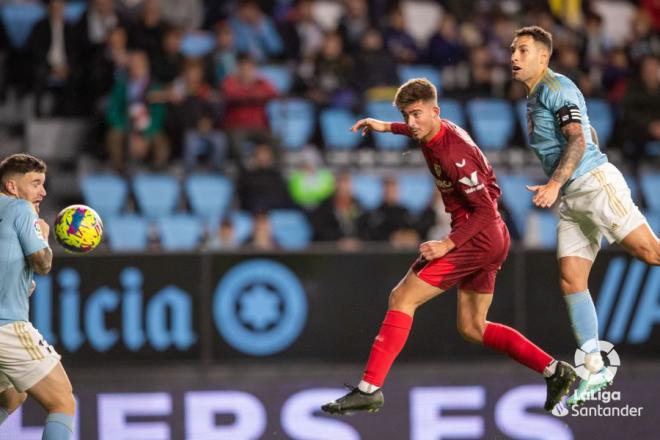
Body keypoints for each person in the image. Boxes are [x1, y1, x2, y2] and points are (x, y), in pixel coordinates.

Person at [321, 78, 576, 415]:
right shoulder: (434, 129)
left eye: (415, 115)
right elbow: (415, 128)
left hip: (478, 236)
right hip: (489, 238)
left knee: (402, 298)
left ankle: (369, 388)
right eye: (406, 116)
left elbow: (486, 210)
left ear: (435, 111)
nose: (411, 124)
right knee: (473, 327)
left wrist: (447, 243)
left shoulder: (453, 154)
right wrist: (385, 126)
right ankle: (554, 370)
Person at [510, 26, 660, 406]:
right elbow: (585, 130)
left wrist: (555, 183)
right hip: (575, 199)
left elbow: (578, 139)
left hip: (592, 185)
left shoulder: (556, 87)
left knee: (651, 253)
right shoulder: (535, 97)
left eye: (523, 50)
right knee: (571, 279)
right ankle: (595, 366)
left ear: (543, 57)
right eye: (513, 50)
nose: (514, 57)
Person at [0, 154, 75, 439]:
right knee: (62, 401)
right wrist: (43, 238)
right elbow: (42, 264)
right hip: (6, 326)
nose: (42, 192)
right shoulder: (21, 210)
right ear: (11, 186)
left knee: (12, 397)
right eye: (35, 184)